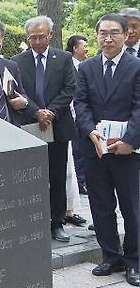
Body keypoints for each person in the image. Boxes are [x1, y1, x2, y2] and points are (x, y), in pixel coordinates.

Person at [74, 13, 140, 286]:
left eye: (114, 32)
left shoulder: (136, 67)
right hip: (96, 149)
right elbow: (81, 104)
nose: (107, 38)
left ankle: (134, 261)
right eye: (102, 33)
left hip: (126, 151)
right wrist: (90, 131)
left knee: (132, 208)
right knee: (101, 206)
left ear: (126, 35)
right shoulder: (87, 67)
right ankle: (110, 256)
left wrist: (129, 141)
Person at [10, 16, 76, 243]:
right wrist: (36, 111)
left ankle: (57, 222)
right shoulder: (17, 61)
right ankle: (32, 220)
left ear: (50, 34)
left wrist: (50, 113)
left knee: (57, 176)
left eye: (41, 36)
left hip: (57, 126)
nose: (37, 42)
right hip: (29, 125)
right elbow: (16, 92)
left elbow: (70, 89)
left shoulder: (64, 58)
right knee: (31, 176)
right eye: (32, 38)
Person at [66, 33, 89, 196]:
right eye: (84, 46)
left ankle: (82, 180)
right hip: (70, 116)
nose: (87, 49)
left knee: (81, 149)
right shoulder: (68, 66)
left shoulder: (84, 66)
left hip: (81, 116)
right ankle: (80, 182)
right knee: (76, 150)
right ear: (75, 48)